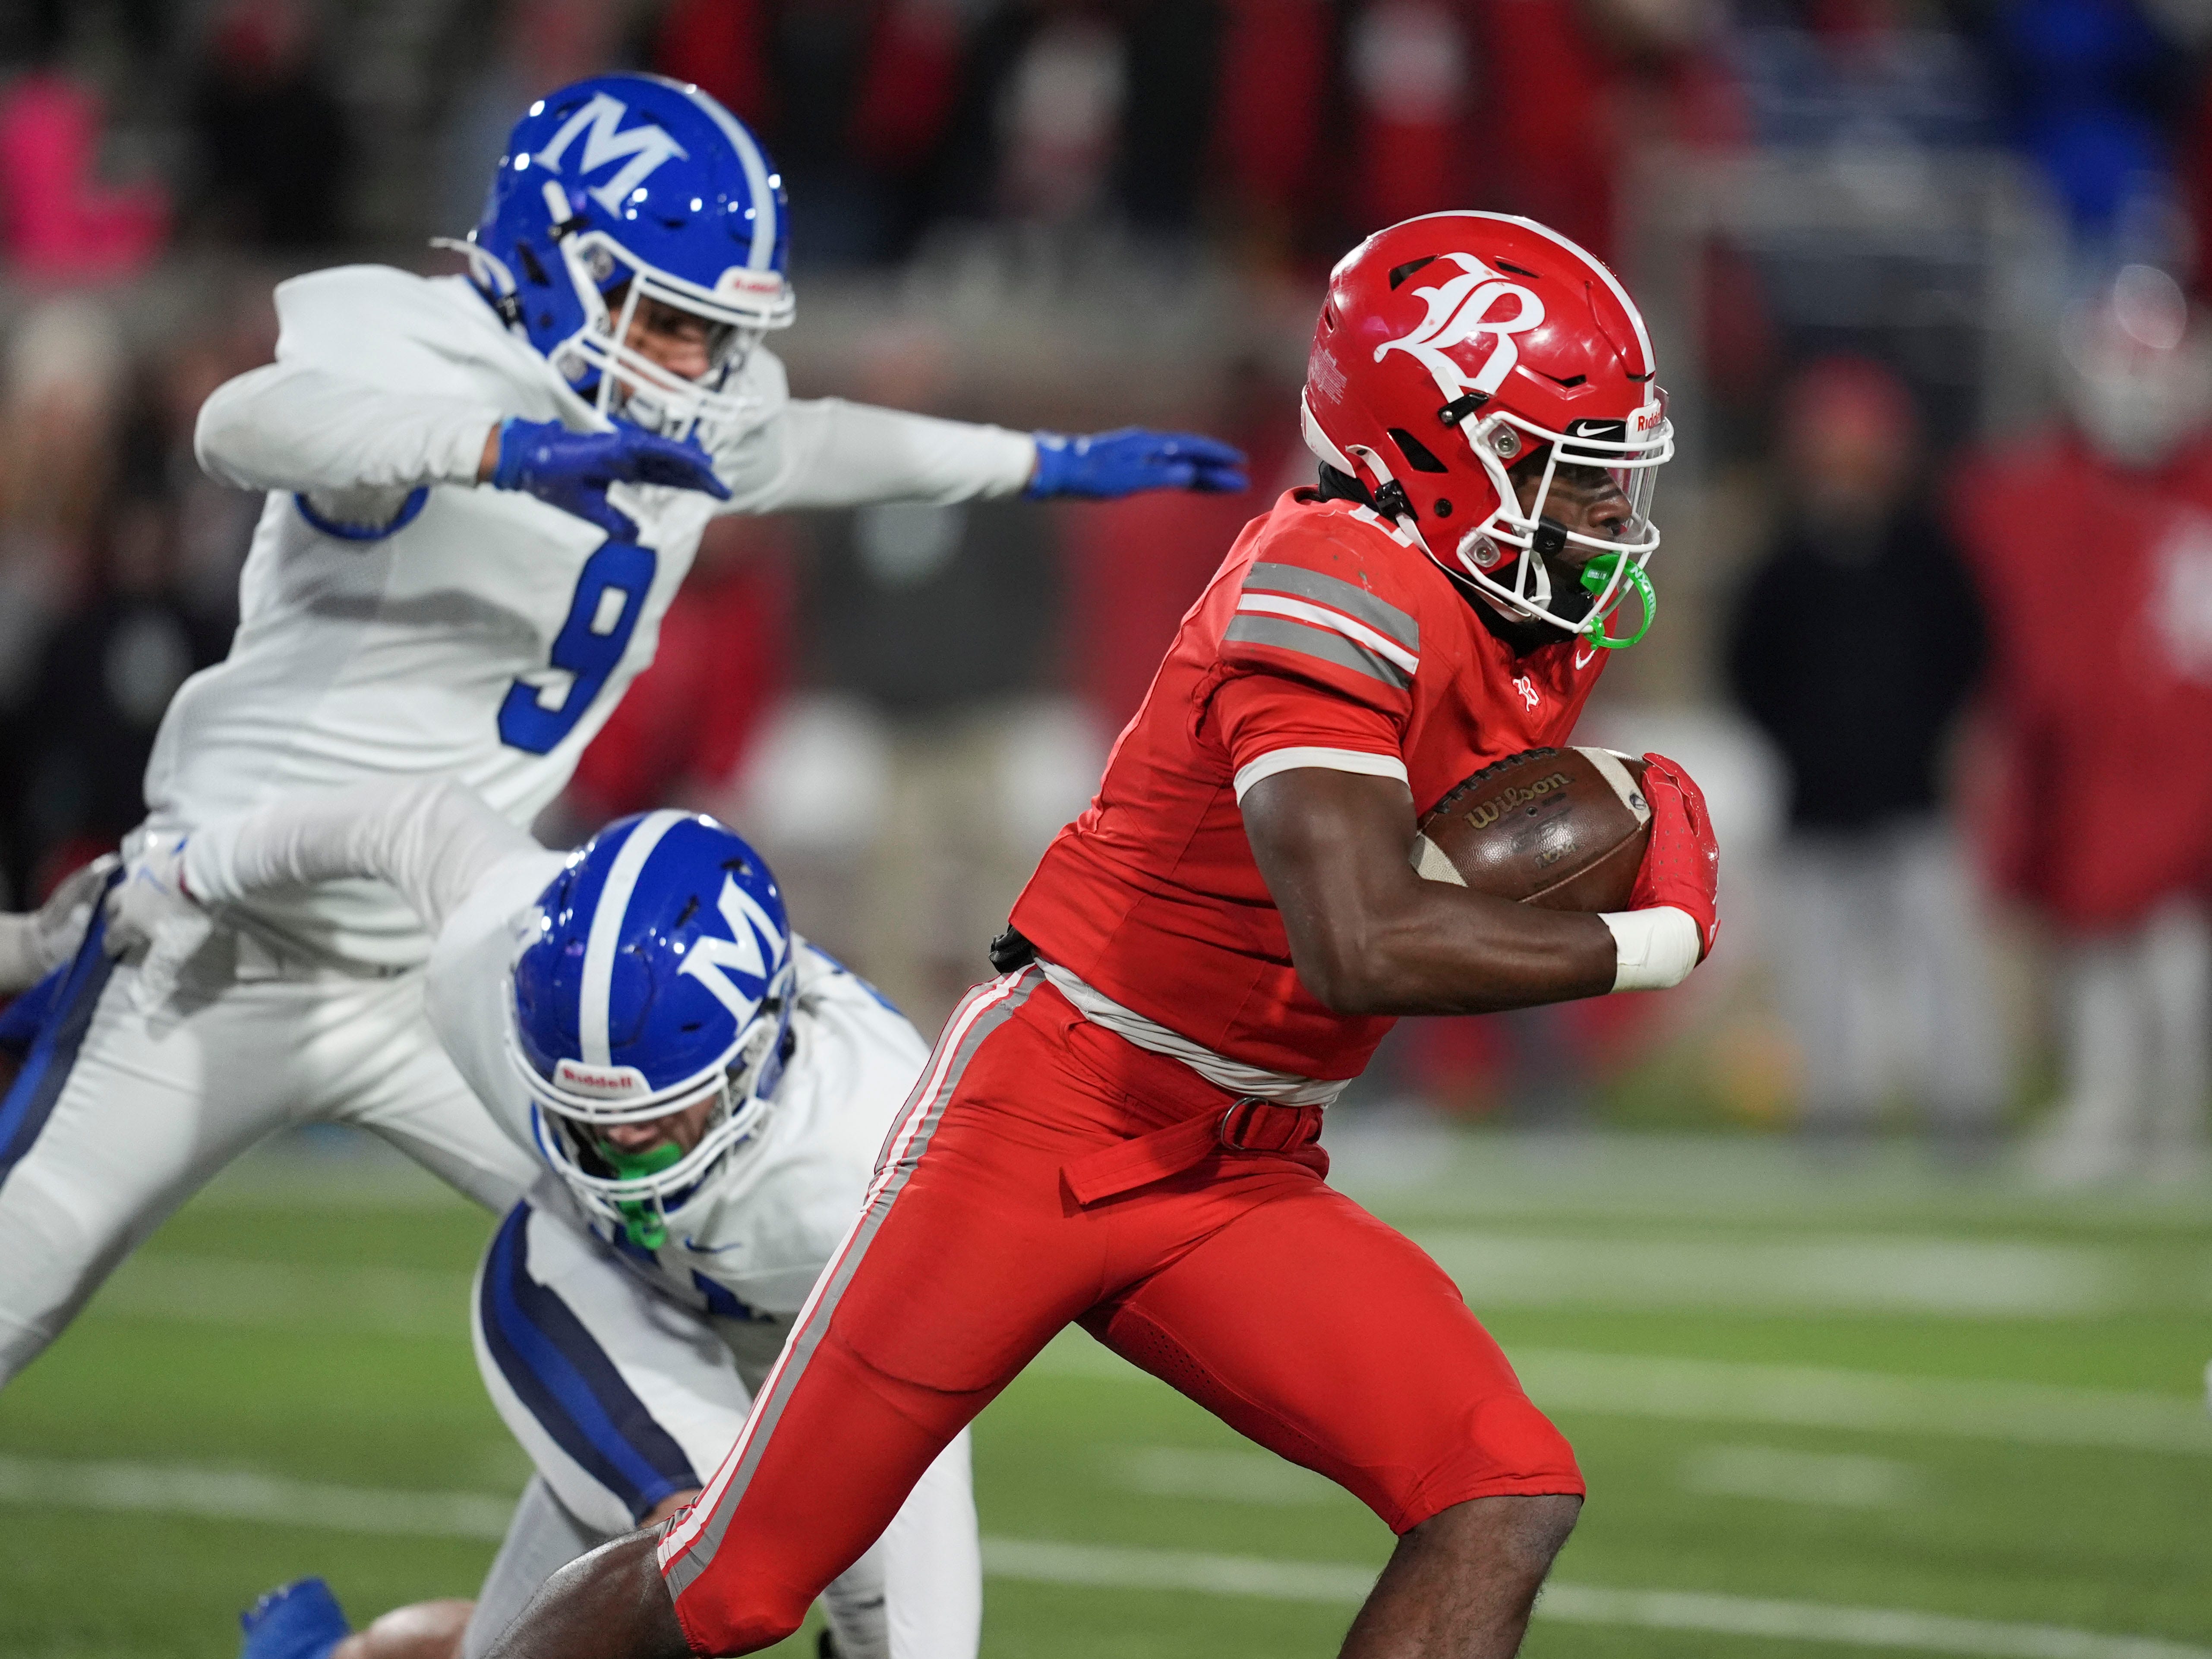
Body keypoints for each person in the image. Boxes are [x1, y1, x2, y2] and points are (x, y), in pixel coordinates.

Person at [472, 212, 1720, 1659]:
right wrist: (1653, 941)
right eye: (1557, 467)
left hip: (1242, 1154)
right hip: (1058, 1116)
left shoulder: (1521, 618)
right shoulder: (1335, 571)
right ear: (1430, 445)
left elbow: (1421, 871)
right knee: (735, 1585)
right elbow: (1359, 941)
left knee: (1500, 1483)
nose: (1591, 513)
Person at [0, 69, 1243, 1388]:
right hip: (218, 936)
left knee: (707, 1302)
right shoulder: (418, 355)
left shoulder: (677, 408)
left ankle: (628, 1598)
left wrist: (1041, 463)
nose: (700, 367)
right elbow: (242, 424)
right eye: (669, 321)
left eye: (718, 332)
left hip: (443, 956)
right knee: (23, 1273)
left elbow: (820, 442)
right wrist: (495, 447)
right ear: (551, 265)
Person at [101, 777, 978, 1659]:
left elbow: (932, 1475)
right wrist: (187, 869)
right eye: (584, 1118)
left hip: (820, 1338)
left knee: (866, 1612)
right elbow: (406, 820)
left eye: (657, 1114)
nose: (619, 1146)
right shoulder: (494, 950)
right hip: (592, 1279)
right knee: (714, 1556)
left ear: (759, 1043)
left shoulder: (874, 1144)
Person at [1953, 264, 2212, 1183]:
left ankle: (2176, 1112)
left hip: (2184, 759)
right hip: (2090, 760)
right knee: (2094, 943)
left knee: (2175, 954)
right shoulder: (2038, 493)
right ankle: (2108, 1101)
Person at [1725, 355, 2003, 1149]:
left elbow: (1968, 657)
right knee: (1820, 974)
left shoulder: (1928, 556)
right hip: (1814, 803)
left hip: (1913, 797)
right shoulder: (1781, 567)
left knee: (1943, 962)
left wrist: (1923, 739)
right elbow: (1747, 671)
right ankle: (1833, 1108)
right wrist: (1801, 748)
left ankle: (1965, 1105)